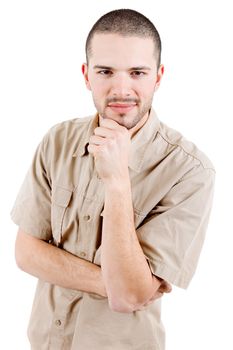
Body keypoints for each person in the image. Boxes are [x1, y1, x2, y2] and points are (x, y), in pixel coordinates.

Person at [11, 8, 215, 350]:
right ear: (87, 75)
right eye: (105, 71)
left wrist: (118, 180)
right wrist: (114, 282)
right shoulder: (57, 140)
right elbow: (25, 253)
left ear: (158, 77)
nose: (122, 88)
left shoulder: (190, 171)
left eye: (137, 72)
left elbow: (130, 296)